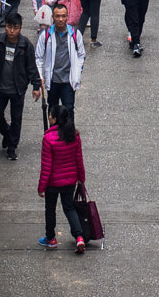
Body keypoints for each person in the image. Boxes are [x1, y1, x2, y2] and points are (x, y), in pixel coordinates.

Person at [36, 107, 92, 254]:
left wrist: (41, 187)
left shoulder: (48, 138)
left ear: (55, 119)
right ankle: (79, 236)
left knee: (50, 209)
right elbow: (79, 159)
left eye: (50, 115)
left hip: (53, 183)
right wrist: (81, 178)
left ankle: (51, 238)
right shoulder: (74, 135)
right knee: (69, 208)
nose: (48, 117)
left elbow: (46, 166)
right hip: (70, 180)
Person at [0, 12, 36, 159]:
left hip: (17, 89)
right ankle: (7, 133)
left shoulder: (25, 45)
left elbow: (31, 66)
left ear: (20, 28)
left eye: (15, 28)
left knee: (16, 118)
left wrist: (35, 86)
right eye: (9, 27)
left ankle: (12, 146)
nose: (11, 31)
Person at [34, 1, 85, 118]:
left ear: (67, 16)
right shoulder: (46, 35)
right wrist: (40, 76)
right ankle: (53, 135)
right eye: (57, 16)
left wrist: (78, 70)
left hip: (68, 80)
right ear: (53, 17)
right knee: (52, 111)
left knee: (69, 109)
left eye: (63, 16)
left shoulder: (75, 34)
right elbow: (38, 57)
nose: (60, 19)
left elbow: (81, 55)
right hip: (52, 80)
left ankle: (68, 135)